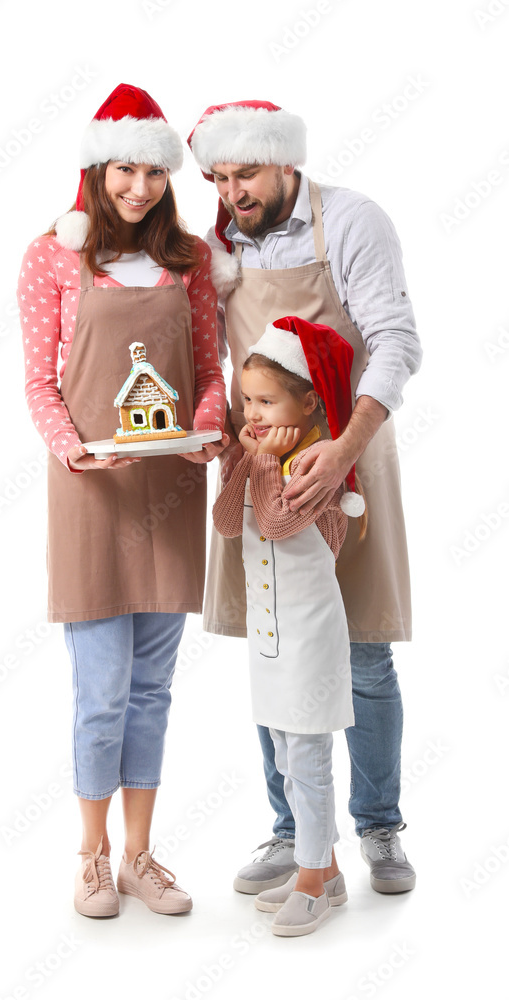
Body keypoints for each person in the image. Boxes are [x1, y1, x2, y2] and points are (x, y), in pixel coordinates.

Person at [187, 99, 422, 894]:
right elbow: (213, 355)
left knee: (361, 649)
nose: (231, 193)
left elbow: (396, 340)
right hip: (261, 467)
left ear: (285, 161)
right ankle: (292, 830)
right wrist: (217, 432)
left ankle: (378, 825)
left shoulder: (352, 222)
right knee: (273, 642)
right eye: (218, 178)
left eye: (244, 174)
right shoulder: (221, 243)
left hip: (346, 455)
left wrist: (345, 448)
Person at [17, 84, 227, 919]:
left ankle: (142, 855)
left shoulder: (192, 260)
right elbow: (39, 382)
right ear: (97, 171)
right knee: (101, 689)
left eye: (151, 171)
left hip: (171, 486)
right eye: (123, 171)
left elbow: (210, 372)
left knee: (153, 690)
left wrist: (207, 428)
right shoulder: (51, 256)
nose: (138, 188)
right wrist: (73, 447)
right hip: (90, 494)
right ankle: (92, 855)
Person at [213, 316, 365, 937]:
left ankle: (311, 881)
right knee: (282, 751)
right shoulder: (259, 458)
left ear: (307, 403)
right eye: (246, 399)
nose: (252, 412)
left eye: (266, 400)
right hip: (269, 638)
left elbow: (277, 524)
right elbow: (228, 523)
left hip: (308, 638)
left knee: (307, 757)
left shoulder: (315, 466)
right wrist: (236, 461)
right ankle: (324, 869)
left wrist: (266, 464)